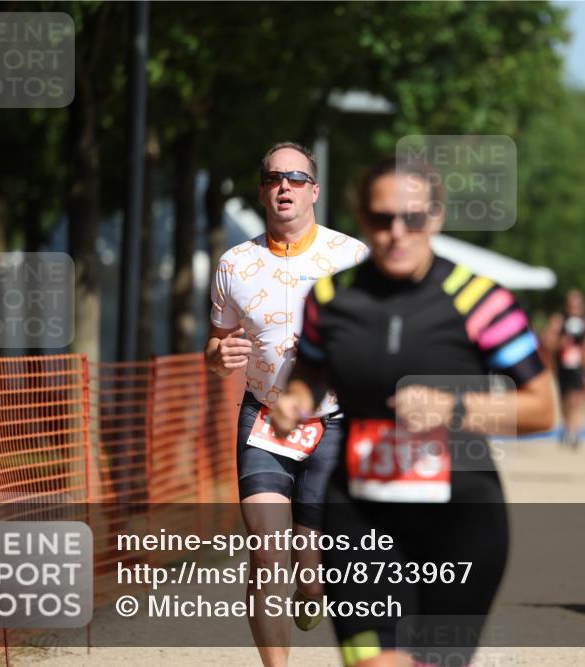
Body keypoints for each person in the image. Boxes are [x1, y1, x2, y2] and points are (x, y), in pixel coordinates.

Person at [270, 156, 554, 667]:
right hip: (359, 513)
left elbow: (542, 408)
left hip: (459, 520)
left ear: (436, 219)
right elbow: (310, 373)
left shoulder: (480, 300)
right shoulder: (331, 299)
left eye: (413, 219)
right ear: (363, 218)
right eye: (382, 219)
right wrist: (295, 401)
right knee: (376, 663)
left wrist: (457, 407)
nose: (397, 233)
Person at [206, 141, 367, 667]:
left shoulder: (350, 257)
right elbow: (215, 344)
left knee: (310, 568)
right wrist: (219, 353)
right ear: (262, 191)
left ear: (313, 191)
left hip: (333, 421)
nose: (285, 187)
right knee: (266, 553)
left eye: (296, 179)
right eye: (275, 178)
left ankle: (313, 588)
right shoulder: (235, 263)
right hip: (265, 419)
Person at [542, 289, 585, 449]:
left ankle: (575, 431)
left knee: (577, 399)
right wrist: (560, 343)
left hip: (580, 365)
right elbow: (547, 341)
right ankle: (566, 426)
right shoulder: (559, 319)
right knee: (565, 399)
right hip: (563, 365)